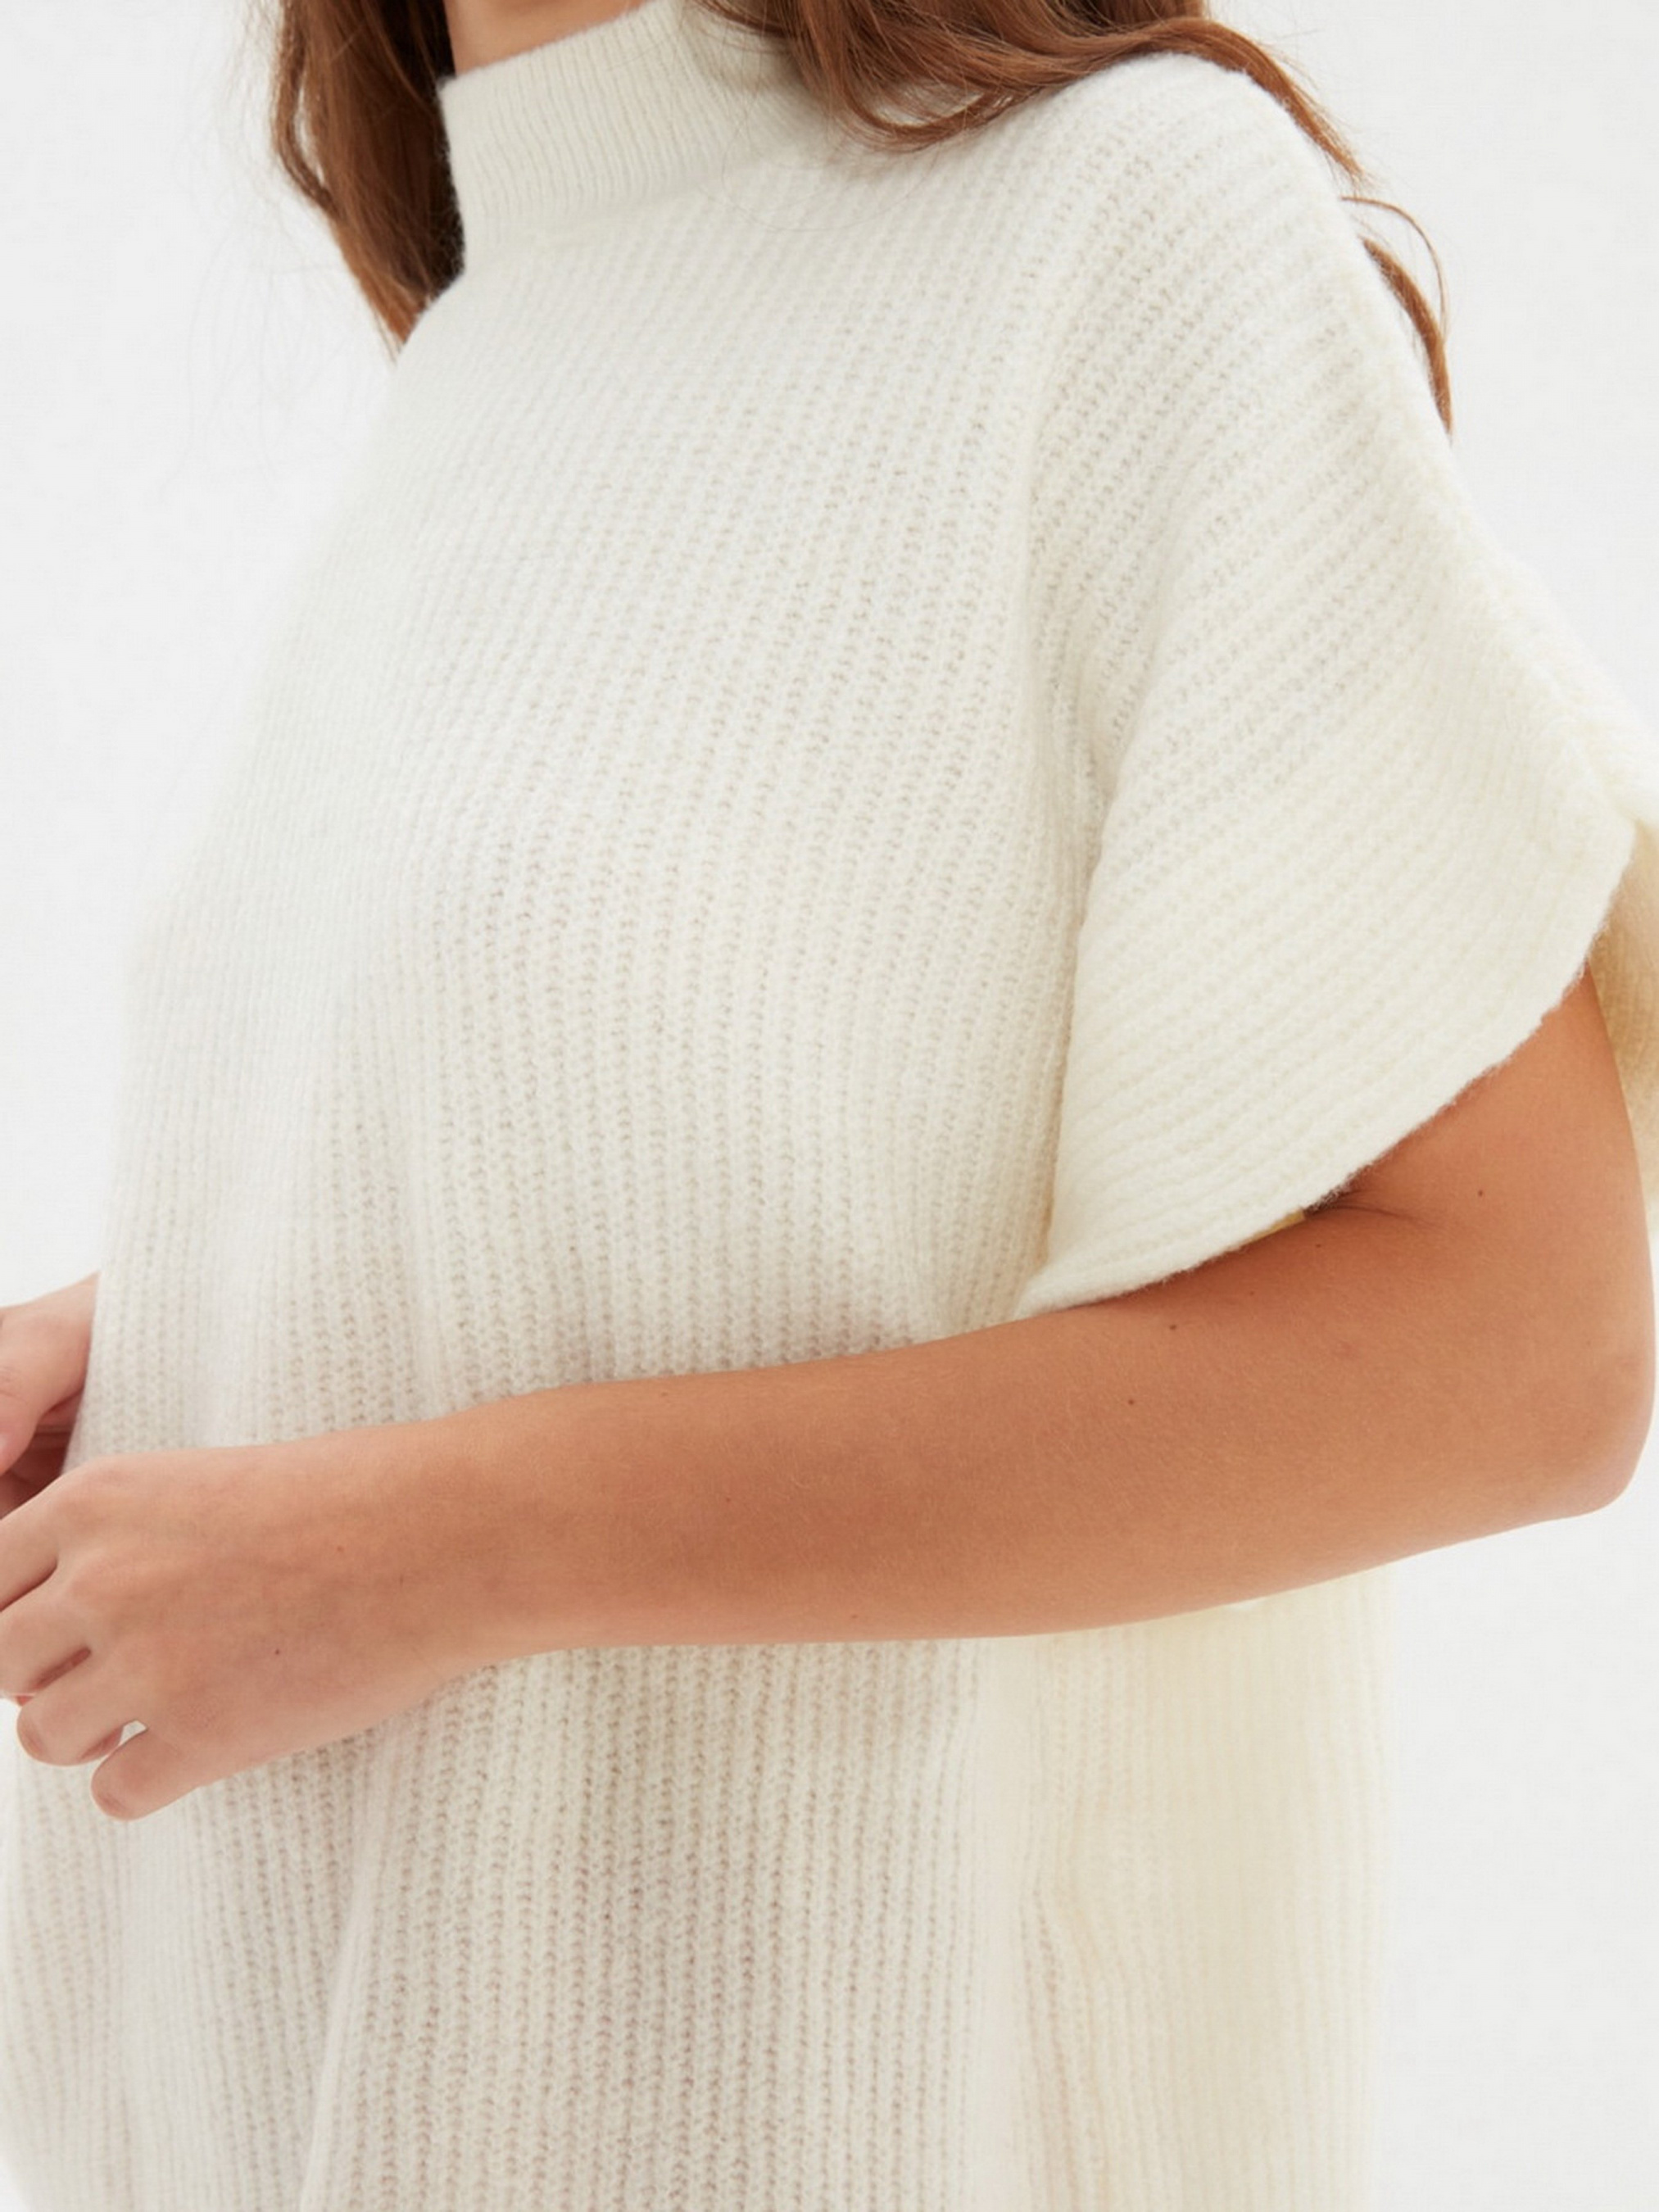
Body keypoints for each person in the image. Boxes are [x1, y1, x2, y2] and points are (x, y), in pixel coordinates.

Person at [1, 0, 1656, 2204]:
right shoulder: (497, 339)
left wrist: (435, 1543)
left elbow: (1521, 1352)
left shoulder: (1124, 225)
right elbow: (761, 1139)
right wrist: (216, 1319)